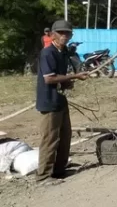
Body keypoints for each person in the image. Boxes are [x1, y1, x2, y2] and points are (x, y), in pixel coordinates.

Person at [36, 20, 89, 184]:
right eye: (60, 33)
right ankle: (44, 176)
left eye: (67, 33)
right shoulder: (48, 53)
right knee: (50, 138)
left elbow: (60, 76)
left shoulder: (63, 52)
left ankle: (59, 170)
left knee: (65, 136)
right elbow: (49, 78)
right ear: (52, 34)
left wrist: (67, 82)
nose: (64, 36)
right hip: (49, 101)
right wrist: (73, 76)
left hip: (60, 99)